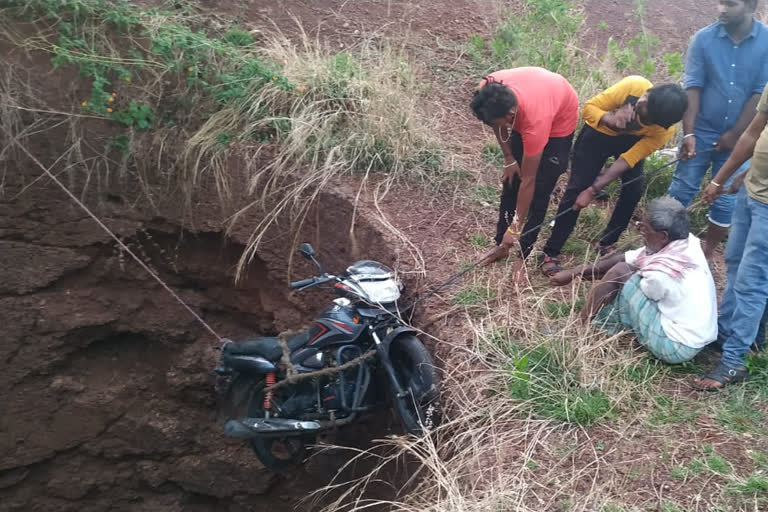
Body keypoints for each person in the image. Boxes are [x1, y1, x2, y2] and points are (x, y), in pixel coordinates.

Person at [538, 76, 688, 276]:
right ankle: (551, 251)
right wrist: (611, 119)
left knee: (633, 191)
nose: (639, 102)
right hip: (597, 134)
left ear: (657, 122)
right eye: (643, 99)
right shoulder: (634, 86)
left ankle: (607, 243)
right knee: (577, 191)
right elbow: (589, 109)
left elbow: (628, 159)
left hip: (630, 145)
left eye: (643, 109)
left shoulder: (663, 130)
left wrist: (593, 190)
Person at [550, 197, 717, 364]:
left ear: (663, 236)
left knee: (621, 273)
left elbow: (624, 275)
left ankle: (576, 329)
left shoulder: (660, 273)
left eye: (644, 229)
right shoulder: (687, 243)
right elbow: (628, 257)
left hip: (675, 345)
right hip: (694, 339)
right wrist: (574, 272)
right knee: (625, 273)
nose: (641, 233)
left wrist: (596, 277)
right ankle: (602, 324)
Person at [667, 0, 768, 259]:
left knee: (725, 199)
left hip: (743, 137)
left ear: (750, 7)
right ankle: (666, 246)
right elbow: (694, 86)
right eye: (720, 2)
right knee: (682, 187)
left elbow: (760, 94)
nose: (721, 9)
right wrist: (689, 133)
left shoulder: (766, 42)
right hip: (700, 131)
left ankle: (708, 252)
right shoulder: (703, 39)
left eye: (730, 4)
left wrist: (735, 135)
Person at [694, 81, 768, 389]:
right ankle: (732, 336)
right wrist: (725, 178)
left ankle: (734, 361)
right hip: (751, 192)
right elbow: (753, 133)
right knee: (736, 263)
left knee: (752, 280)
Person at [470, 67, 579, 267]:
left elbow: (528, 181)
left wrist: (516, 226)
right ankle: (501, 247)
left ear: (511, 115)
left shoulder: (535, 123)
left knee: (539, 190)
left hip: (559, 121)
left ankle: (523, 255)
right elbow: (497, 124)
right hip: (537, 94)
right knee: (512, 180)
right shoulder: (487, 90)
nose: (499, 126)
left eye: (503, 122)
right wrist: (509, 158)